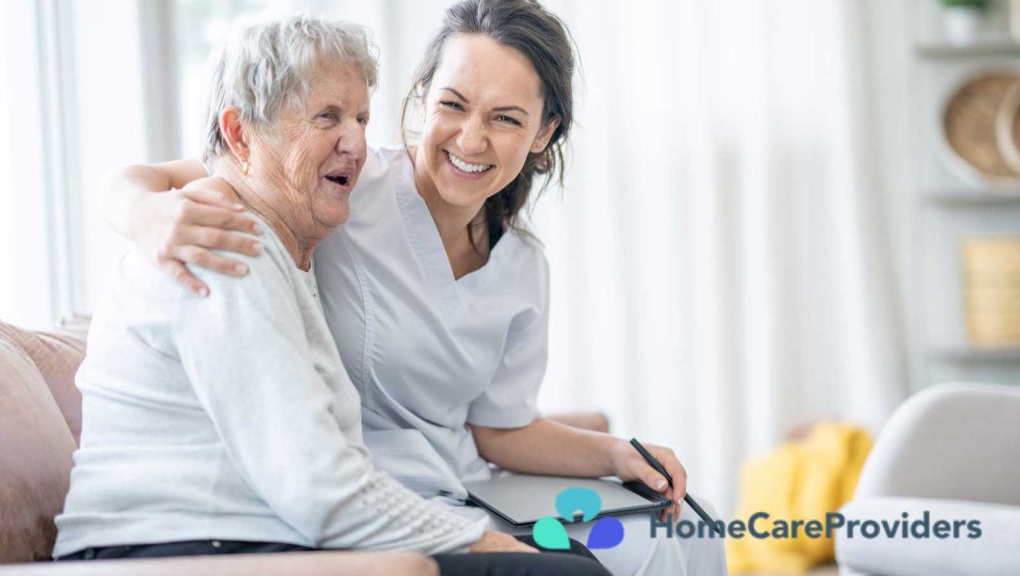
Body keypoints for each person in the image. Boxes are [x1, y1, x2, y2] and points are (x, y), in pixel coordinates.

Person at [101, 1, 728, 575]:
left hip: (466, 487)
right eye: (453, 105)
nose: (471, 139)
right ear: (422, 98)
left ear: (542, 134)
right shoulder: (338, 183)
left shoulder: (522, 267)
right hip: (368, 498)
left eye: (505, 119)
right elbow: (215, 169)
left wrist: (616, 455)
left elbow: (497, 428)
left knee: (693, 535)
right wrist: (143, 214)